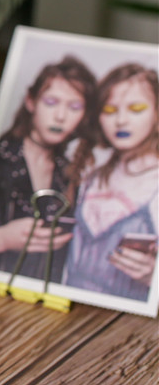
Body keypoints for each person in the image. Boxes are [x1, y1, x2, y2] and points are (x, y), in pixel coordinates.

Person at [0, 56, 97, 283]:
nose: (60, 116)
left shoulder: (67, 173)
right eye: (51, 102)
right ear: (31, 101)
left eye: (74, 107)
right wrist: (0, 240)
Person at [64, 63, 159, 301]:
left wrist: (154, 278)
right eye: (109, 109)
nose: (121, 120)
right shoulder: (89, 177)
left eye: (136, 108)